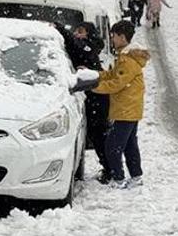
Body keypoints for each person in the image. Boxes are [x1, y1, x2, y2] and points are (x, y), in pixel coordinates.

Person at [92, 20, 149, 189]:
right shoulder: (125, 56)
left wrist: (95, 87)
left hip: (126, 109)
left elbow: (117, 83)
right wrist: (96, 75)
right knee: (130, 145)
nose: (112, 39)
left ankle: (119, 179)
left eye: (114, 36)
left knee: (112, 146)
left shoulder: (128, 61)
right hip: (129, 109)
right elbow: (113, 74)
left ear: (122, 37)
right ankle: (136, 176)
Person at [54, 22, 111, 182]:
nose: (77, 34)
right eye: (76, 31)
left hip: (97, 98)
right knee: (97, 135)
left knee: (99, 135)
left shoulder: (88, 47)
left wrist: (59, 27)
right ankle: (110, 167)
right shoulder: (88, 47)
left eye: (81, 31)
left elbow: (75, 44)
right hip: (92, 97)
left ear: (89, 34)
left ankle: (111, 169)